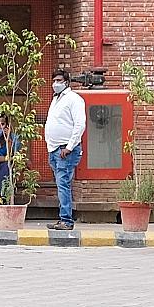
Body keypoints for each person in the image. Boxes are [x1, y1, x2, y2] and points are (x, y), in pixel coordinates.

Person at [43, 68, 87, 231]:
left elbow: (80, 125)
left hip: (65, 150)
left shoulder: (74, 99)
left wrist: (69, 147)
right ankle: (63, 217)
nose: (55, 84)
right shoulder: (56, 99)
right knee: (61, 184)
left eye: (59, 80)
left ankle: (66, 220)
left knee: (63, 184)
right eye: (54, 81)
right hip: (55, 149)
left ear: (67, 82)